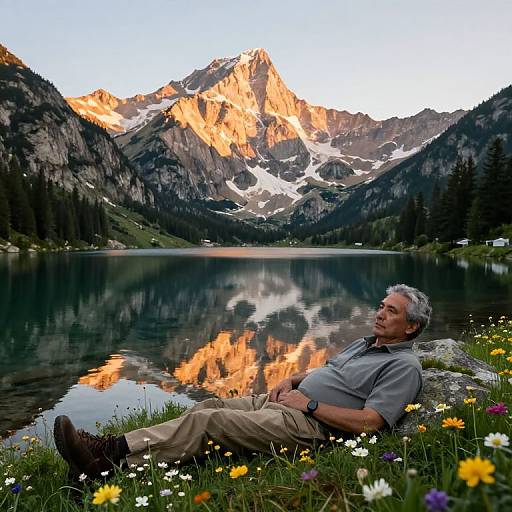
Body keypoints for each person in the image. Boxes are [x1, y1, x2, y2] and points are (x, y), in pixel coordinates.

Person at [54, 283, 431, 480]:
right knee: (207, 405)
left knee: (209, 423)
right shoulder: (367, 343)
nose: (379, 313)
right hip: (287, 403)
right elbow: (330, 373)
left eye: (391, 311)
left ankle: (108, 454)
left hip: (310, 426)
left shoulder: (403, 366)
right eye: (381, 306)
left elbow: (371, 422)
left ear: (411, 326)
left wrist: (310, 405)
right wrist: (295, 379)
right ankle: (109, 458)